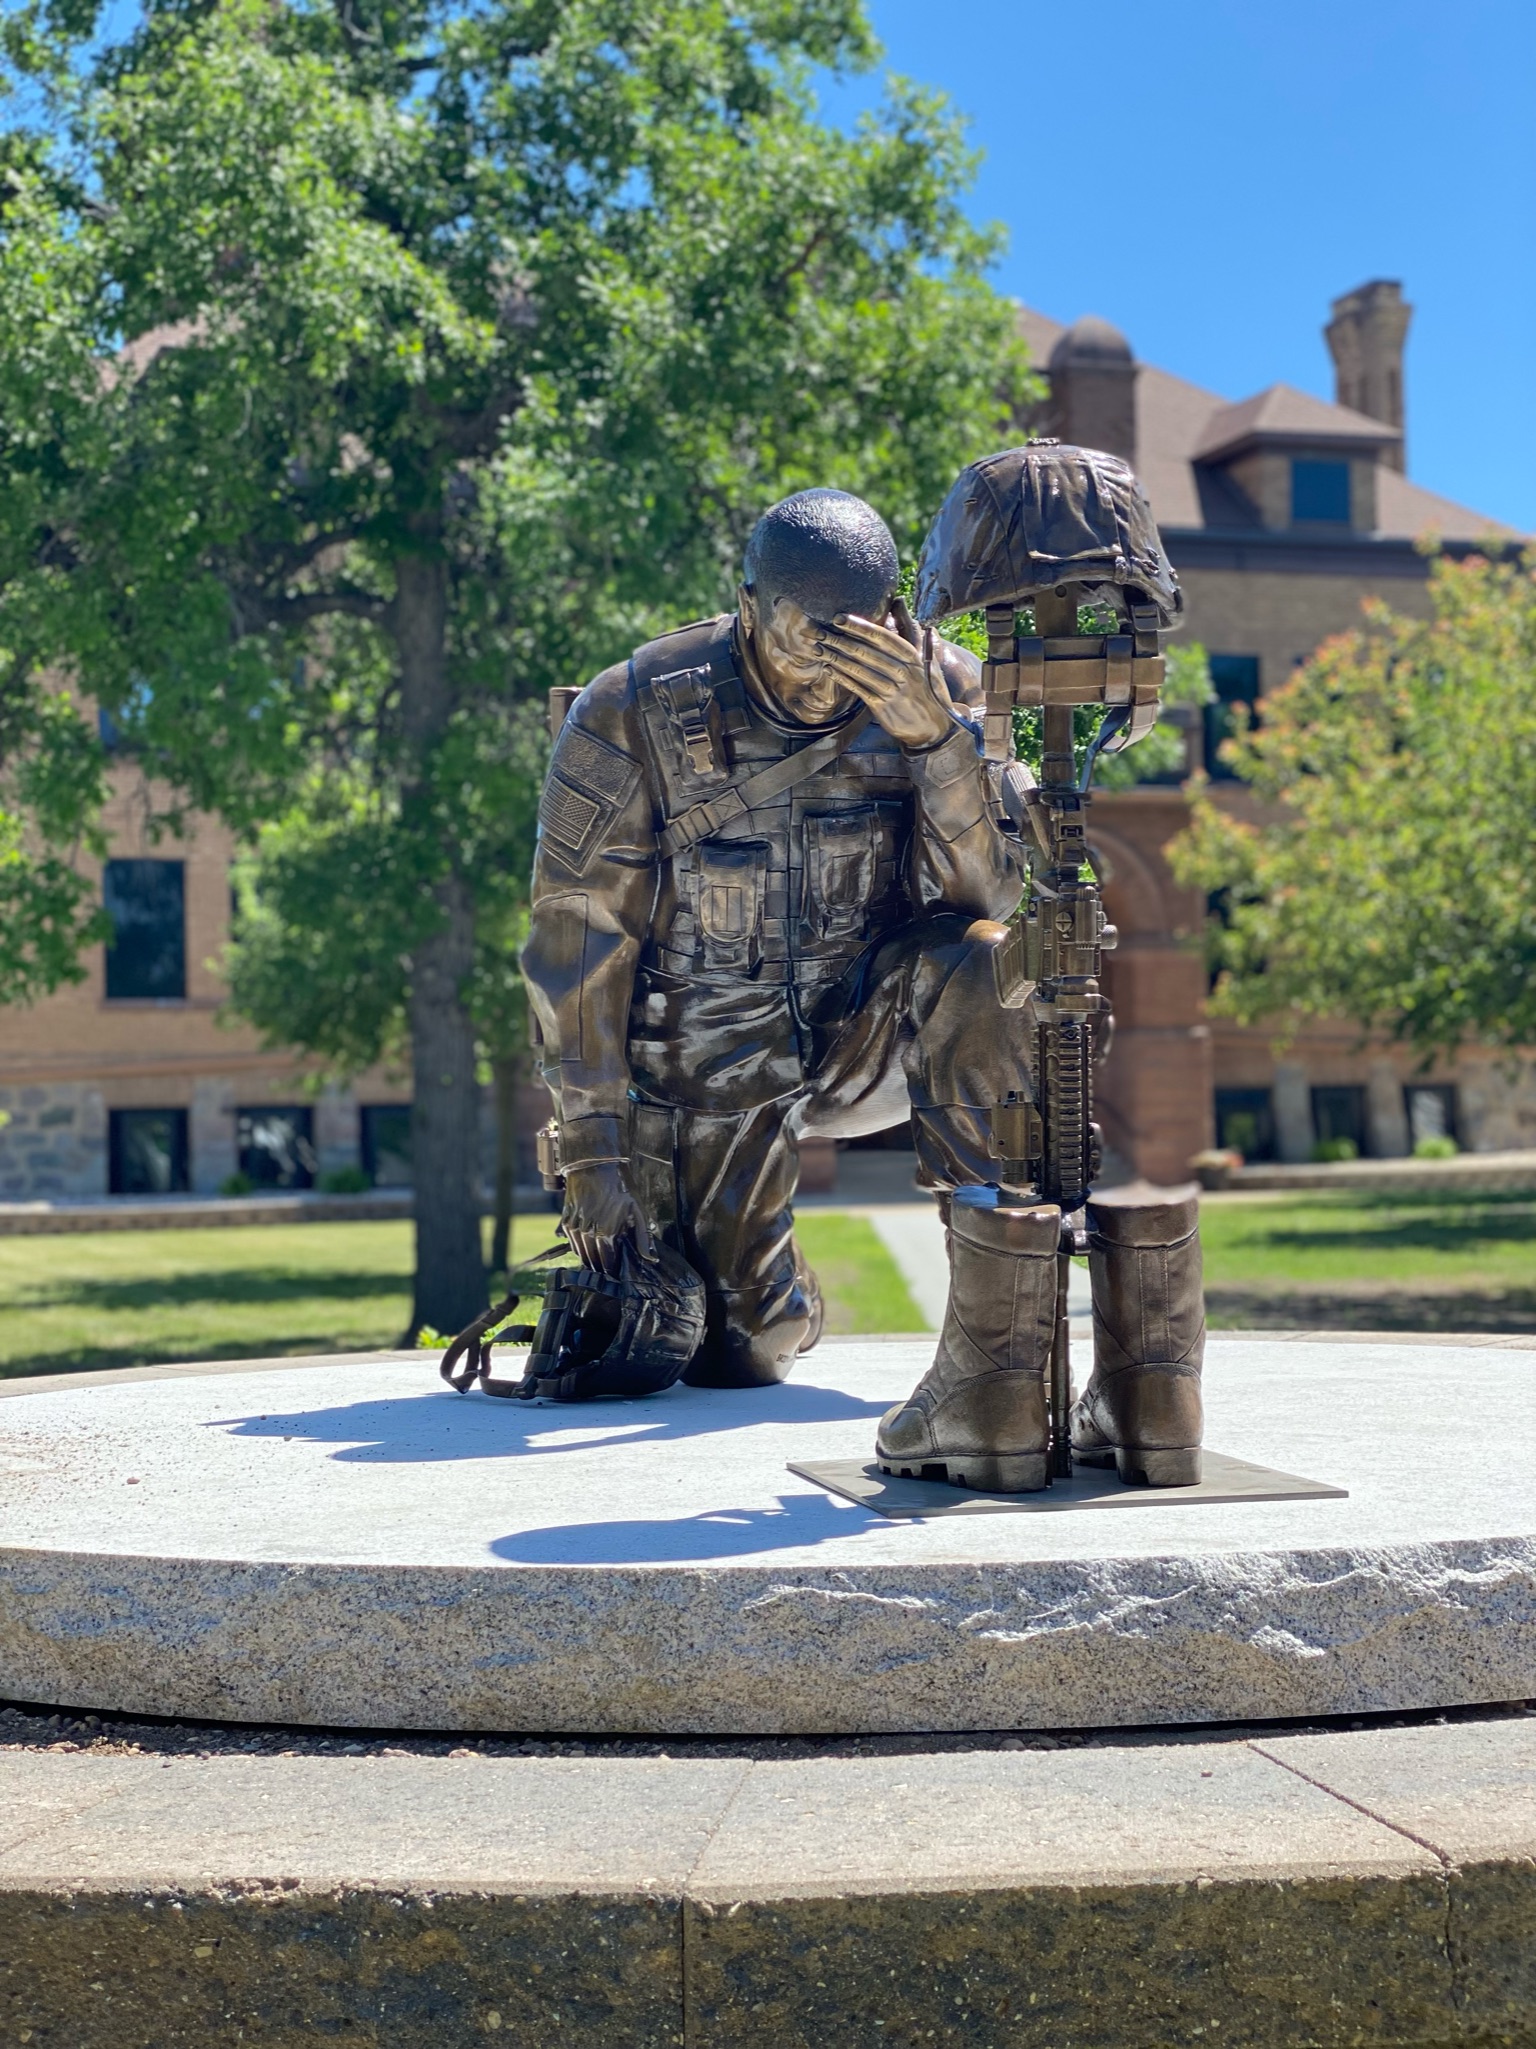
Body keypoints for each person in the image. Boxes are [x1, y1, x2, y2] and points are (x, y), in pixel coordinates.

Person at [523, 487, 1046, 1408]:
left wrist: (936, 741)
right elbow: (576, 939)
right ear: (749, 601)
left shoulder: (950, 688)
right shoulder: (630, 705)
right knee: (738, 1354)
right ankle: (769, 1279)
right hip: (710, 1046)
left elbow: (993, 893)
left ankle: (990, 1339)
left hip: (868, 1024)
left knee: (991, 957)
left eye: (845, 649)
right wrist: (592, 1152)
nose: (820, 680)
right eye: (800, 644)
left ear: (889, 616)